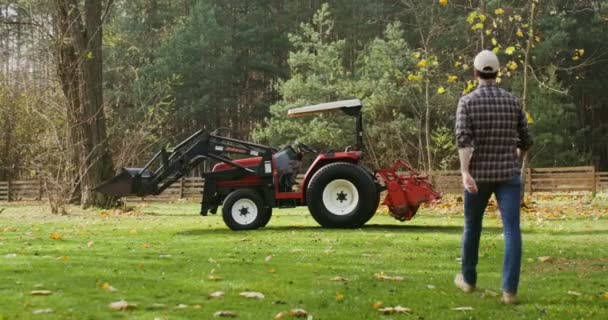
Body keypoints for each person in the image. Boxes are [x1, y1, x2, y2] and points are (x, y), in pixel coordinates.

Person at [453, 50, 533, 304]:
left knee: (472, 226)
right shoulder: (513, 101)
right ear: (498, 73)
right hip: (508, 175)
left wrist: (465, 172)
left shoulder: (467, 102)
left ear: (475, 73)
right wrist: (515, 158)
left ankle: (468, 280)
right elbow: (526, 140)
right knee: (511, 231)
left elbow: (463, 140)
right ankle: (509, 291)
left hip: (478, 175)